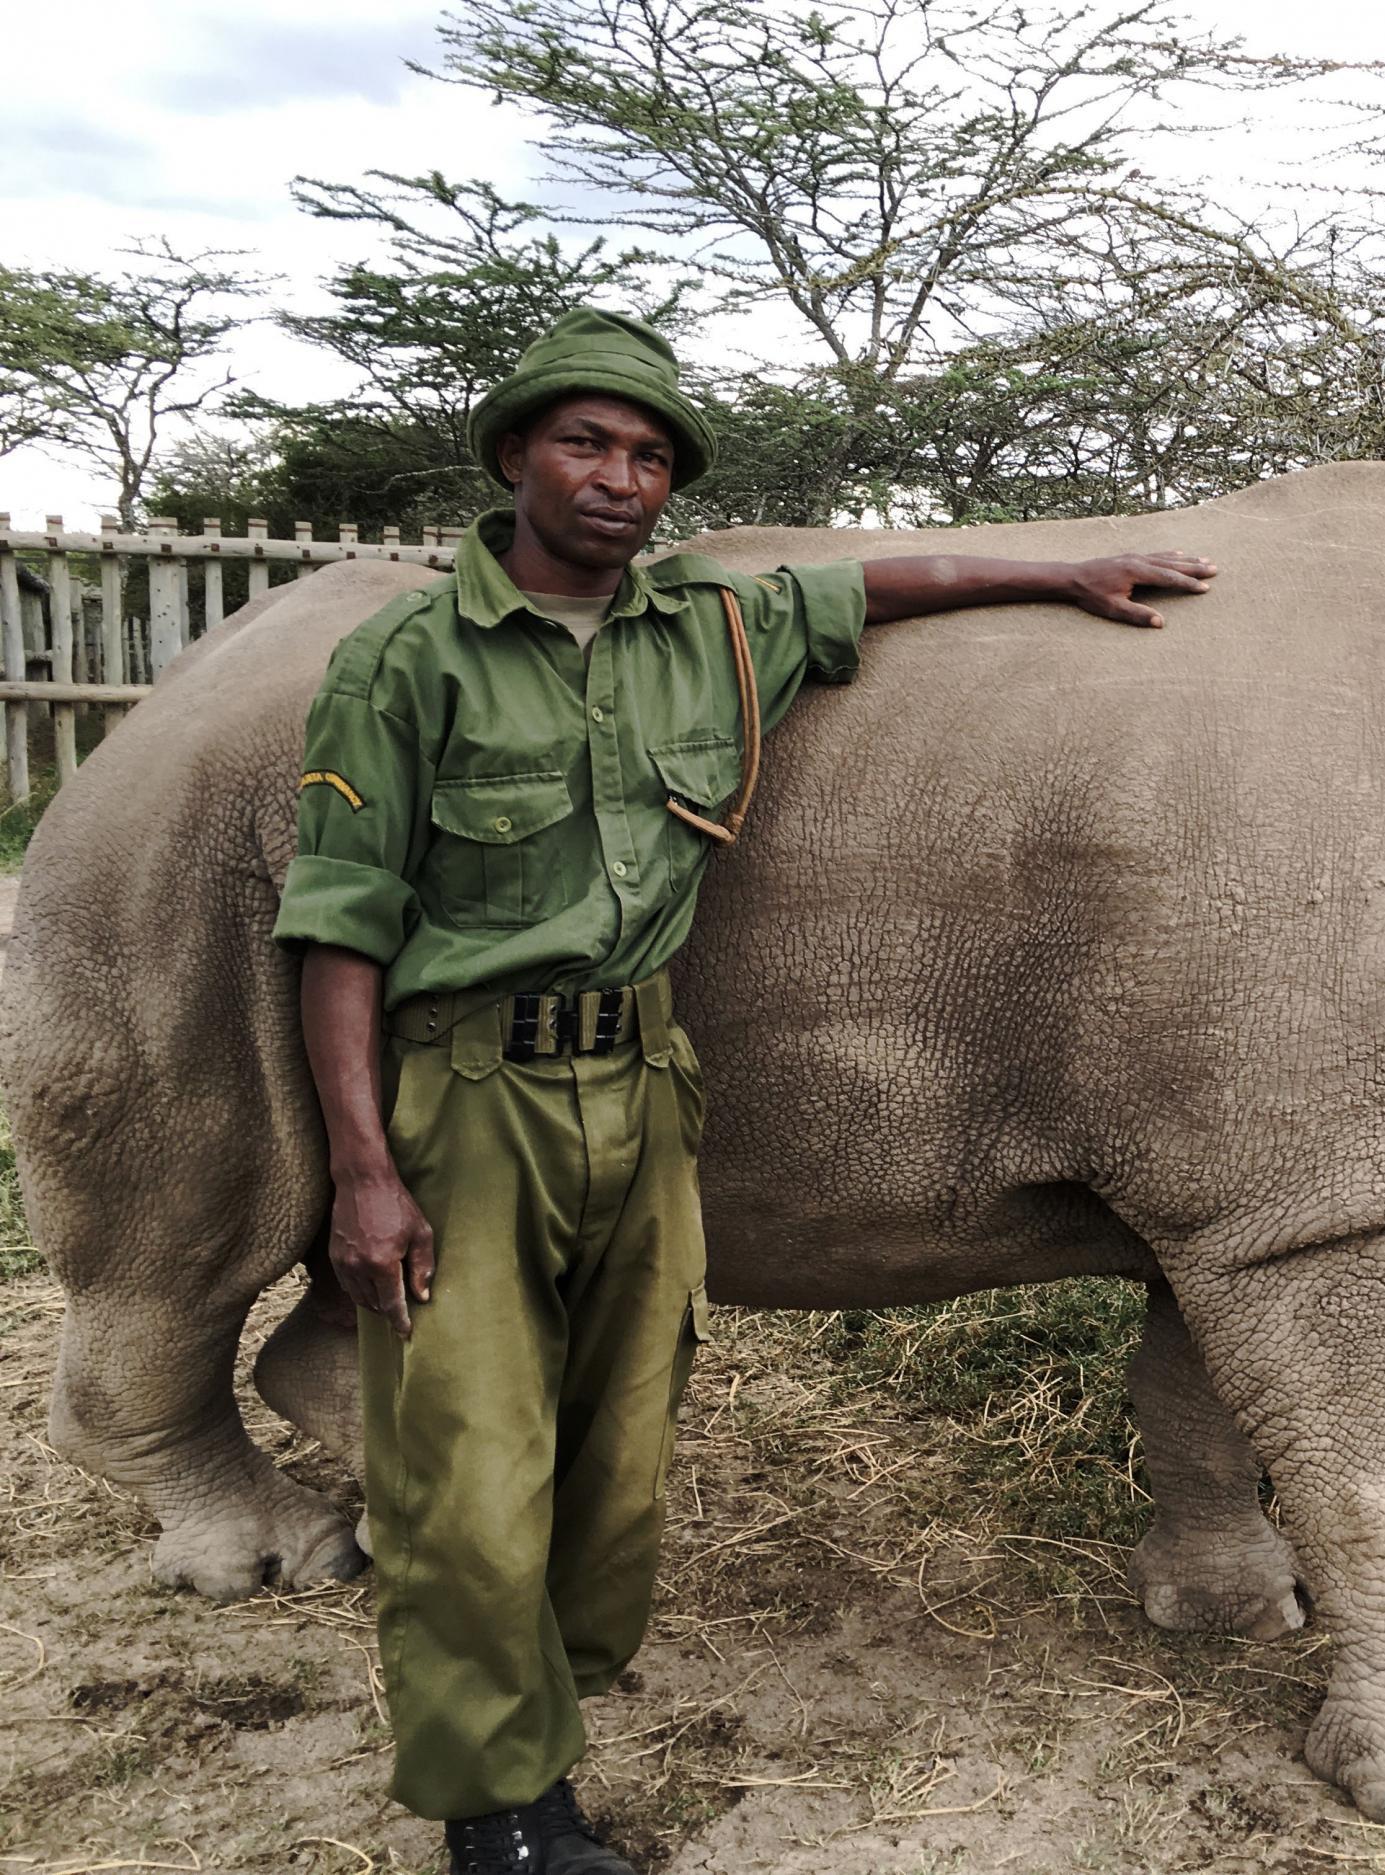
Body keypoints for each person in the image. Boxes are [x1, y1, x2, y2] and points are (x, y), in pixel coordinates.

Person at [271, 308, 1217, 1875]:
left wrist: (1061, 566)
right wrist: (365, 1167)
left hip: (644, 1083)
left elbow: (882, 584)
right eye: (586, 443)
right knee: (468, 1463)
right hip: (471, 1099)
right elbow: (339, 922)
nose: (619, 479)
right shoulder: (406, 661)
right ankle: (499, 1814)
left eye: (649, 456)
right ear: (515, 457)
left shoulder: (710, 627)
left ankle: (543, 1723)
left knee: (618, 1447)